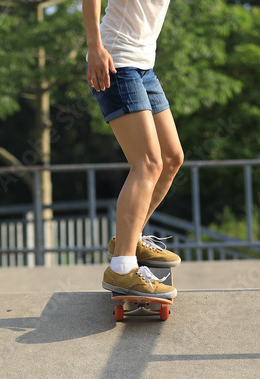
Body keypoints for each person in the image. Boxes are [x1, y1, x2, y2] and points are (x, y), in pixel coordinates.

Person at [84, 0, 182, 300]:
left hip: (144, 69)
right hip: (116, 62)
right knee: (148, 163)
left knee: (171, 158)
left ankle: (131, 237)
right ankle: (122, 267)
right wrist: (94, 46)